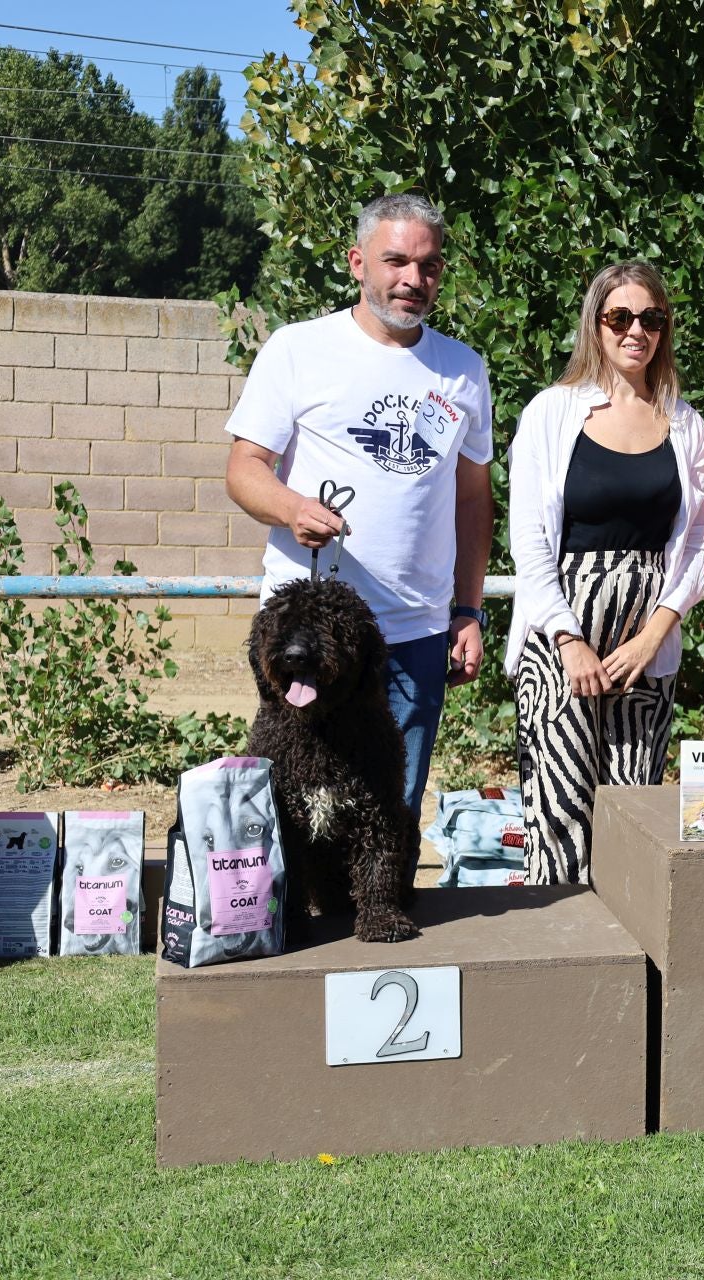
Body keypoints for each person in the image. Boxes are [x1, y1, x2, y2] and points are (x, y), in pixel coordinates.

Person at [225, 193, 495, 884]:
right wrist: (290, 507)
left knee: (388, 813)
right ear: (357, 263)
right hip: (308, 637)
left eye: (428, 266)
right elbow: (243, 469)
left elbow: (471, 500)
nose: (412, 279)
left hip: (414, 631)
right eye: (395, 260)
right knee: (290, 803)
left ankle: (378, 937)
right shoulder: (298, 349)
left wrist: (468, 612)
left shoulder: (464, 368)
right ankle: (291, 945)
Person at [503, 262, 704, 884]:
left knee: (634, 800)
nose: (635, 331)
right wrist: (569, 640)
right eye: (619, 317)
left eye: (650, 318)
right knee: (560, 802)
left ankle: (631, 961)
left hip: (646, 633)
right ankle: (565, 956)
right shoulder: (552, 411)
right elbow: (528, 539)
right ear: (595, 326)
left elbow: (700, 539)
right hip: (560, 632)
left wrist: (654, 636)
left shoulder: (686, 422)